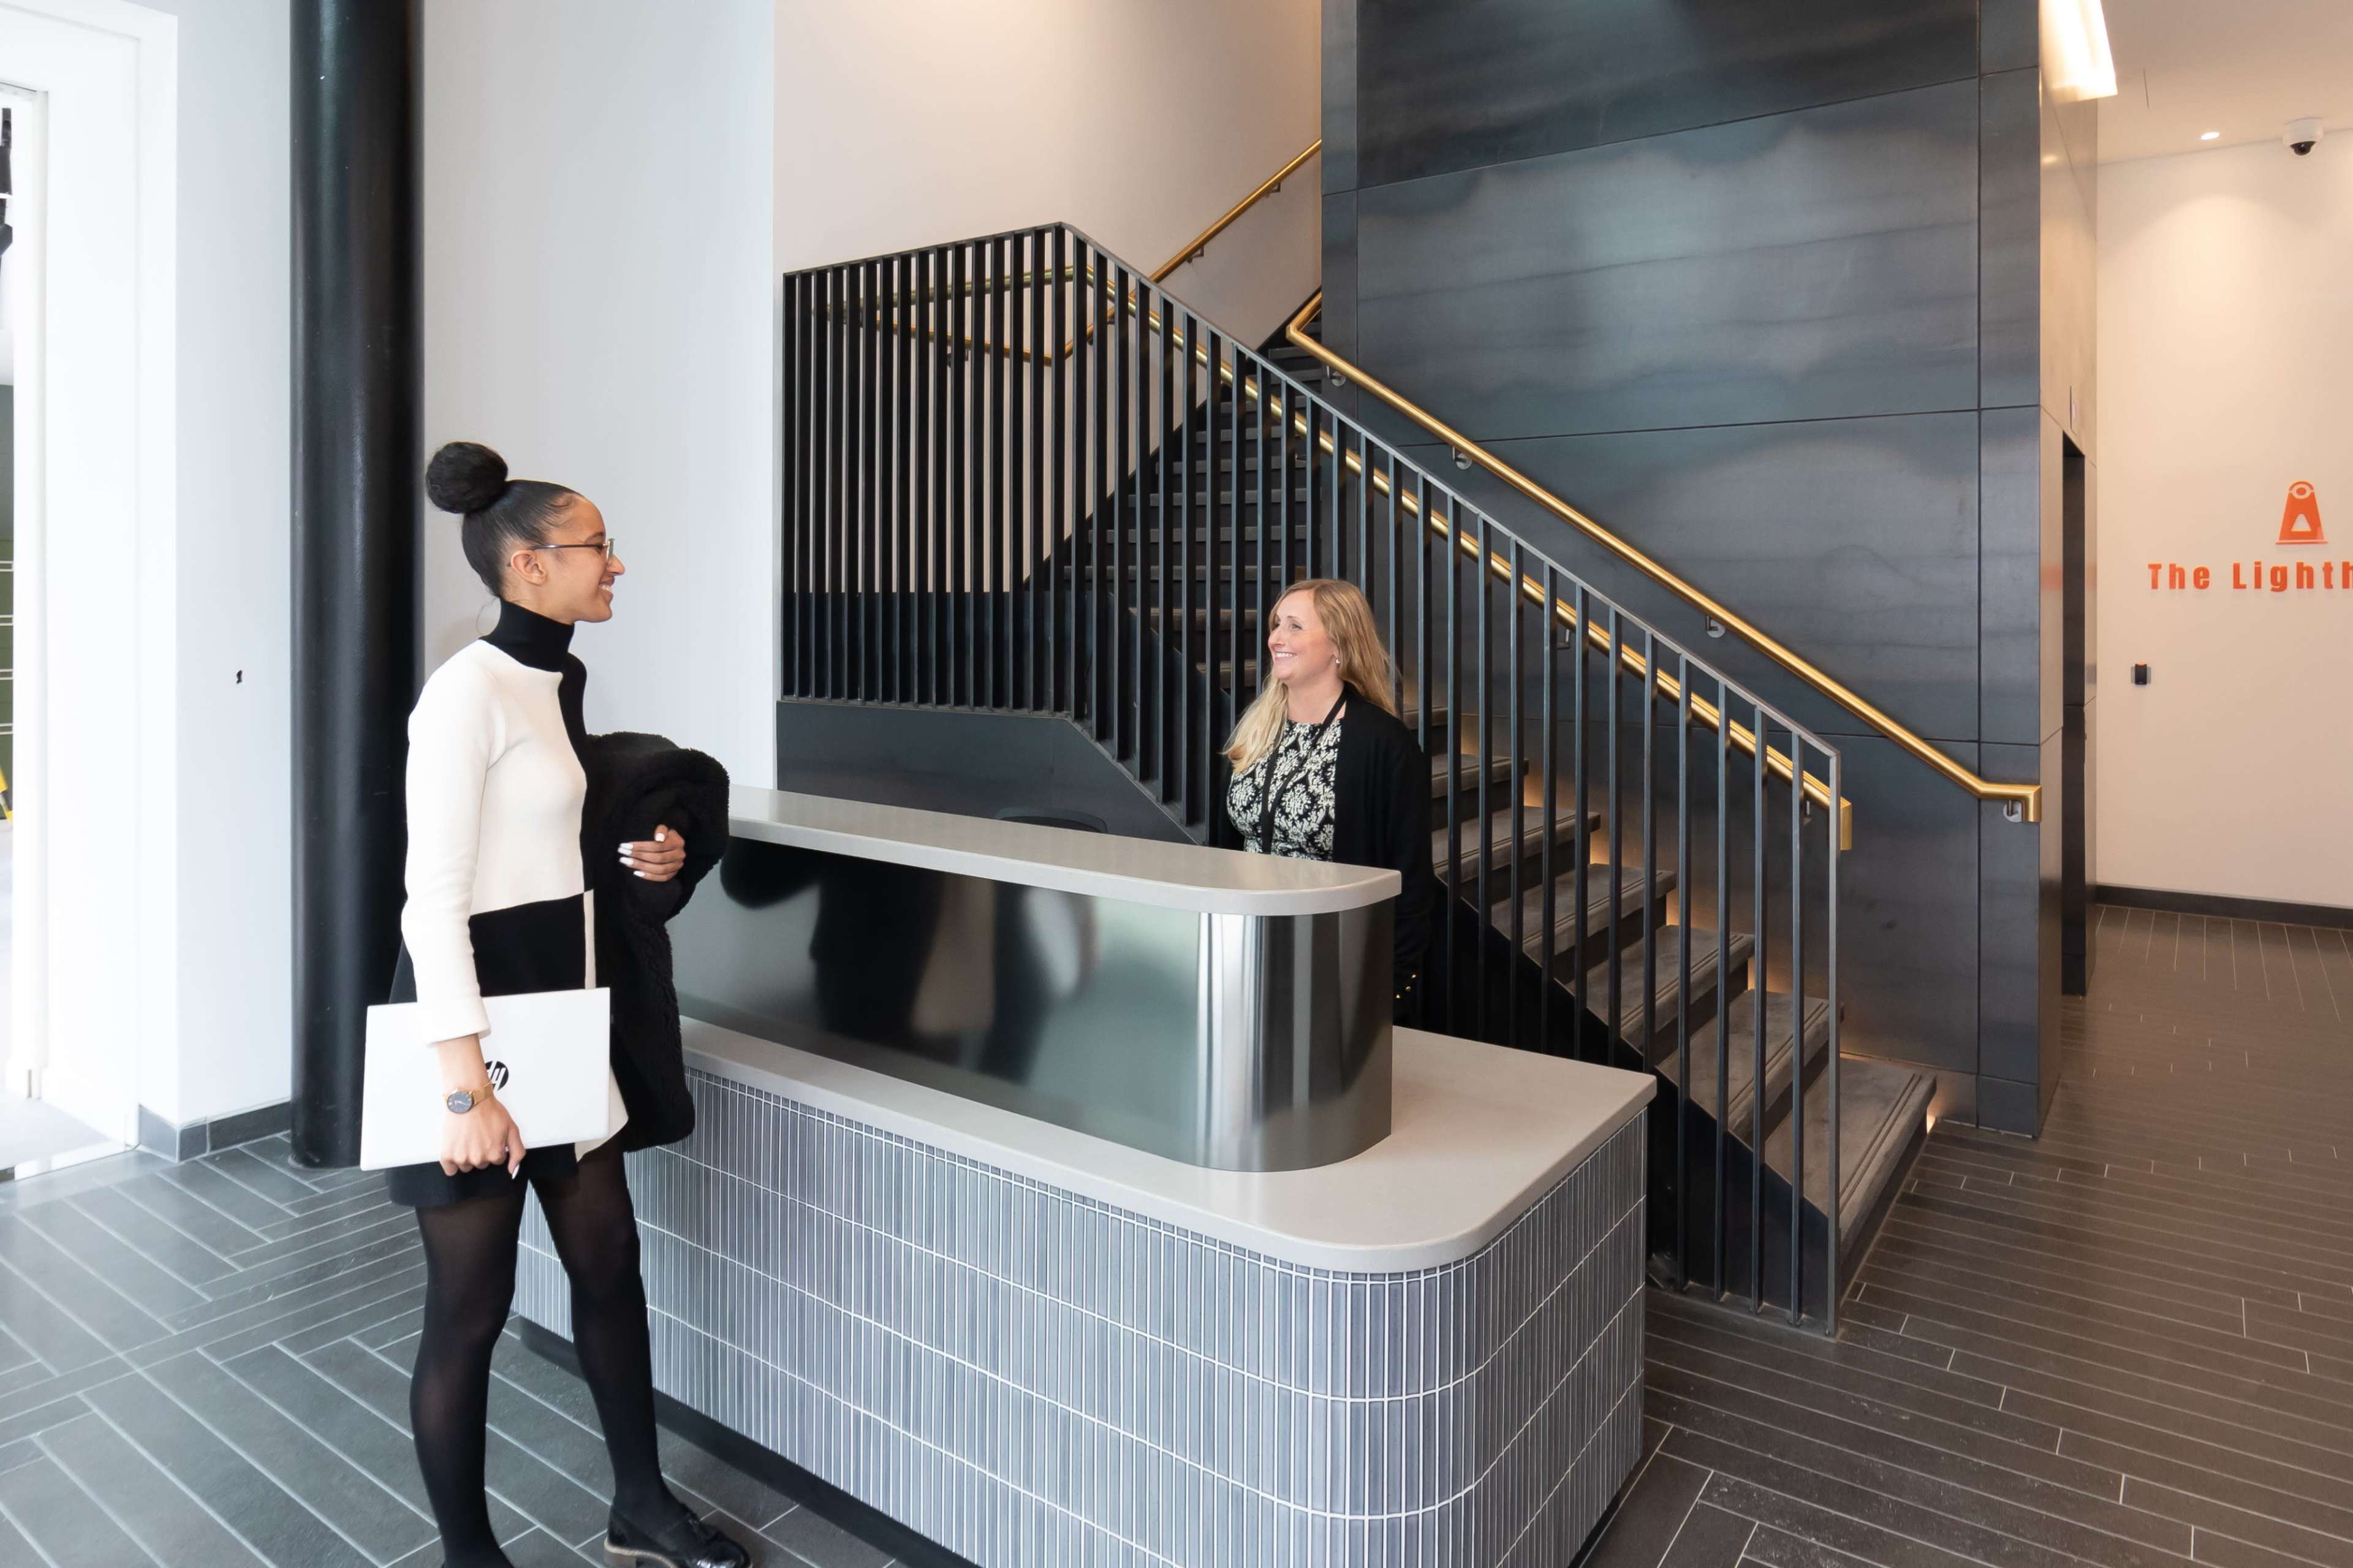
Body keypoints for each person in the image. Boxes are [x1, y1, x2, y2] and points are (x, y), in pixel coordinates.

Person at [392, 441, 749, 1568]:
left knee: (610, 1264)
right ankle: (470, 1555)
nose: (618, 564)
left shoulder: (556, 685)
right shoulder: (465, 693)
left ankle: (639, 1505)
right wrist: (464, 1085)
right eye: (598, 544)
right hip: (476, 1032)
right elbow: (431, 899)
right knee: (472, 1308)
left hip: (562, 1013)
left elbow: (553, 844)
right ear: (528, 565)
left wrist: (657, 854)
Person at [1213, 578, 1439, 1020]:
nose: (1276, 637)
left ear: (1339, 643)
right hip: (1245, 955)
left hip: (1334, 970)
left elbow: (1411, 883)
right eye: (1278, 624)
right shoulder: (1257, 727)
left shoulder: (1384, 744)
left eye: (1295, 626)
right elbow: (1226, 850)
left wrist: (1385, 989)